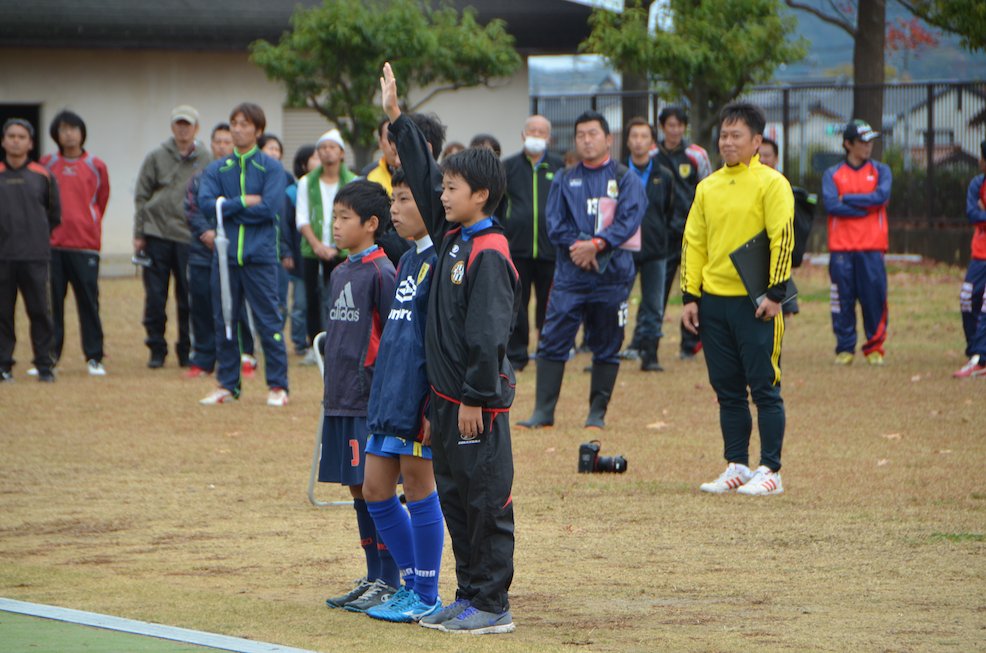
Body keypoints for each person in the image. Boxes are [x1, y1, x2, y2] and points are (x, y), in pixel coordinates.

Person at [382, 61, 519, 634]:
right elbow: (418, 166)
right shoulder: (453, 239)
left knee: (486, 503)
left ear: (480, 195)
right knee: (457, 500)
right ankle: (465, 597)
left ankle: (492, 605)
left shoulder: (488, 249)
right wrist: (396, 117)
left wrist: (471, 399)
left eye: (451, 189)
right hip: (445, 399)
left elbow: (487, 337)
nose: (440, 195)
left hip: (475, 403)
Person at [681, 102, 793, 497]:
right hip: (714, 303)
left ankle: (772, 469)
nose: (727, 143)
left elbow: (783, 238)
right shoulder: (706, 187)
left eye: (736, 136)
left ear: (757, 142)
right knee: (727, 389)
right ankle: (737, 465)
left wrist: (776, 294)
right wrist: (690, 296)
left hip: (757, 302)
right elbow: (693, 242)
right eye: (723, 136)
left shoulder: (772, 183)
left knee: (764, 387)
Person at [518, 110, 646, 430]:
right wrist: (582, 247)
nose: (587, 140)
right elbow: (554, 224)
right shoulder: (564, 177)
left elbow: (629, 219)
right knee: (552, 340)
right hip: (570, 276)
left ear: (608, 139)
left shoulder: (624, 177)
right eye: (581, 135)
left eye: (593, 134)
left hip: (613, 277)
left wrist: (599, 245)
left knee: (607, 343)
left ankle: (596, 414)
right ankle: (543, 412)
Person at [358, 168, 444, 623]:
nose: (395, 208)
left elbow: (442, 344)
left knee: (417, 487)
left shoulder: (443, 259)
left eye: (405, 199)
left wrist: (432, 403)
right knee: (375, 488)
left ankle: (426, 593)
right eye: (393, 199)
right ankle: (410, 583)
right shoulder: (408, 259)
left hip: (419, 398)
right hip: (389, 394)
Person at [316, 180, 399, 612]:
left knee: (376, 488)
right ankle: (372, 575)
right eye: (333, 217)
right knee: (354, 487)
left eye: (344, 218)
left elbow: (393, 339)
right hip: (340, 398)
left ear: (370, 224)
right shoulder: (339, 271)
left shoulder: (383, 272)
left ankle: (390, 577)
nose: (336, 225)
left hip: (369, 401)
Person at [196, 102, 289, 406]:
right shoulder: (218, 168)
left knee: (268, 321)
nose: (237, 129)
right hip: (224, 259)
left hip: (259, 257)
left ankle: (278, 386)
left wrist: (227, 208)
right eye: (234, 123)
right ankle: (227, 384)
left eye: (244, 124)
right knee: (225, 319)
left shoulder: (271, 167)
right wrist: (241, 202)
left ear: (258, 130)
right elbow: (207, 205)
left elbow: (269, 209)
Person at [134, 105, 211, 369]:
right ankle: (156, 347)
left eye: (187, 124)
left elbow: (209, 197)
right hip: (156, 232)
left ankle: (186, 349)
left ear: (196, 128)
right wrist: (139, 232)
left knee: (187, 296)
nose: (183, 128)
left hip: (188, 236)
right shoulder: (156, 156)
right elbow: (141, 195)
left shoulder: (206, 158)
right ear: (172, 127)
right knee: (155, 296)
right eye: (178, 124)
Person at [41, 110, 110, 376]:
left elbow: (101, 200)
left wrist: (88, 223)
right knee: (51, 304)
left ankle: (94, 357)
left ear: (82, 133)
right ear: (55, 135)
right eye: (63, 129)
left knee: (89, 303)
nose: (68, 134)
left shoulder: (95, 165)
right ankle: (48, 357)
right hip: (53, 246)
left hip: (85, 246)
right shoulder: (47, 165)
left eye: (73, 128)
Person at [822, 119, 892, 366]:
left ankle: (874, 347)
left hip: (872, 247)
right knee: (842, 300)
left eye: (870, 141)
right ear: (848, 144)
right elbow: (831, 204)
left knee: (874, 298)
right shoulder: (833, 174)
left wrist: (848, 199)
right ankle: (845, 348)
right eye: (862, 141)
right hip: (841, 249)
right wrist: (865, 208)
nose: (868, 146)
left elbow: (881, 196)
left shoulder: (881, 171)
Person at [183, 122, 248, 379]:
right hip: (202, 251)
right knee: (200, 305)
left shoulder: (242, 176)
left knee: (235, 307)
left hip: (234, 252)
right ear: (211, 144)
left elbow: (246, 208)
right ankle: (203, 358)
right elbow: (191, 209)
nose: (222, 146)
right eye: (217, 141)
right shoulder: (201, 176)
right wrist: (207, 233)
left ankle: (240, 357)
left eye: (226, 141)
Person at [500, 115, 564, 371]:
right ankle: (517, 354)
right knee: (518, 303)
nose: (536, 135)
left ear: (549, 137)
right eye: (532, 130)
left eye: (542, 131)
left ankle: (548, 349)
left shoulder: (559, 167)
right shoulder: (508, 167)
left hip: (551, 248)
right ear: (523, 135)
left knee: (549, 302)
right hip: (517, 247)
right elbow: (498, 206)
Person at [0, 118, 60, 383]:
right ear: (3, 141)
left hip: (35, 256)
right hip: (3, 257)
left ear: (30, 143)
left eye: (21, 137)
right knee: (2, 314)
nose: (16, 140)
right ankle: (3, 365)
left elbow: (54, 214)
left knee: (40, 312)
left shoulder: (43, 175)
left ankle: (44, 365)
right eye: (11, 136)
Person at [296, 129, 356, 364]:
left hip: (343, 250)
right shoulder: (306, 182)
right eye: (322, 148)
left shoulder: (352, 181)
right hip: (312, 249)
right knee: (311, 297)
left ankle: (340, 345)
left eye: (332, 147)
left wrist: (337, 247)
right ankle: (313, 346)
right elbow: (302, 218)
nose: (327, 152)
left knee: (341, 299)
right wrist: (317, 245)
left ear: (341, 152)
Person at [623, 117, 675, 372]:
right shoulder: (618, 173)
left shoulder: (663, 175)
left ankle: (650, 354)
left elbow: (669, 209)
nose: (639, 142)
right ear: (627, 140)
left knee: (654, 304)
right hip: (623, 250)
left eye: (644, 137)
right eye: (634, 136)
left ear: (652, 142)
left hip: (655, 250)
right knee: (615, 301)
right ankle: (607, 351)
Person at [655, 106, 706, 361]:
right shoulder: (653, 155)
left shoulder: (696, 155)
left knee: (693, 289)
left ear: (684, 127)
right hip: (661, 236)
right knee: (657, 291)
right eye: (669, 125)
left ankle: (690, 343)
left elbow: (708, 189)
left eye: (679, 125)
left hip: (691, 235)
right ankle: (649, 342)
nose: (674, 130)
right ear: (662, 127)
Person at [758, 137, 817, 316]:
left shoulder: (781, 186)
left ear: (776, 158)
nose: (763, 159)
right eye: (759, 155)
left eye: (767, 155)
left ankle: (787, 306)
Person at [953, 139, 986, 378]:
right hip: (980, 254)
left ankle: (982, 359)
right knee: (967, 298)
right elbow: (973, 214)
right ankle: (975, 351)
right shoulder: (978, 183)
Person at [283, 144, 316, 357]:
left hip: (322, 256)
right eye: (315, 158)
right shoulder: (293, 192)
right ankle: (298, 341)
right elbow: (285, 225)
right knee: (301, 301)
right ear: (304, 163)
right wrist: (286, 251)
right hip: (300, 254)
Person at [364, 118, 399, 195]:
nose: (394, 143)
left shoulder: (420, 172)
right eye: (389, 138)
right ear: (380, 143)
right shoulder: (368, 175)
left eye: (398, 136)